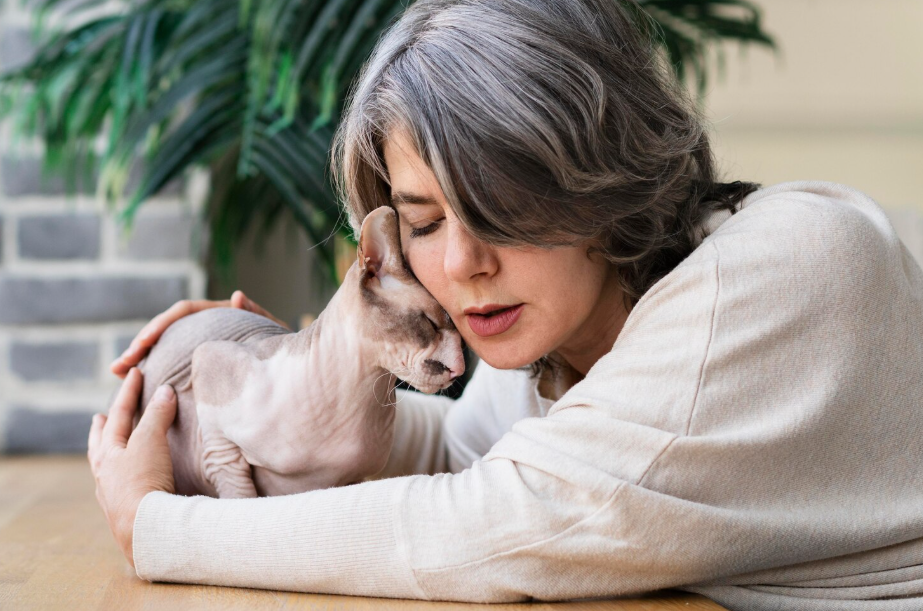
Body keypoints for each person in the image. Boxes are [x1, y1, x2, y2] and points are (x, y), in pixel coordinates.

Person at [86, 0, 923, 609]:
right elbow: (454, 449)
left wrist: (158, 527)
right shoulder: (562, 334)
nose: (461, 263)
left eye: (499, 208)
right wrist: (303, 366)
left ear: (600, 167)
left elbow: (494, 525)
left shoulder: (786, 264)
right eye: (422, 221)